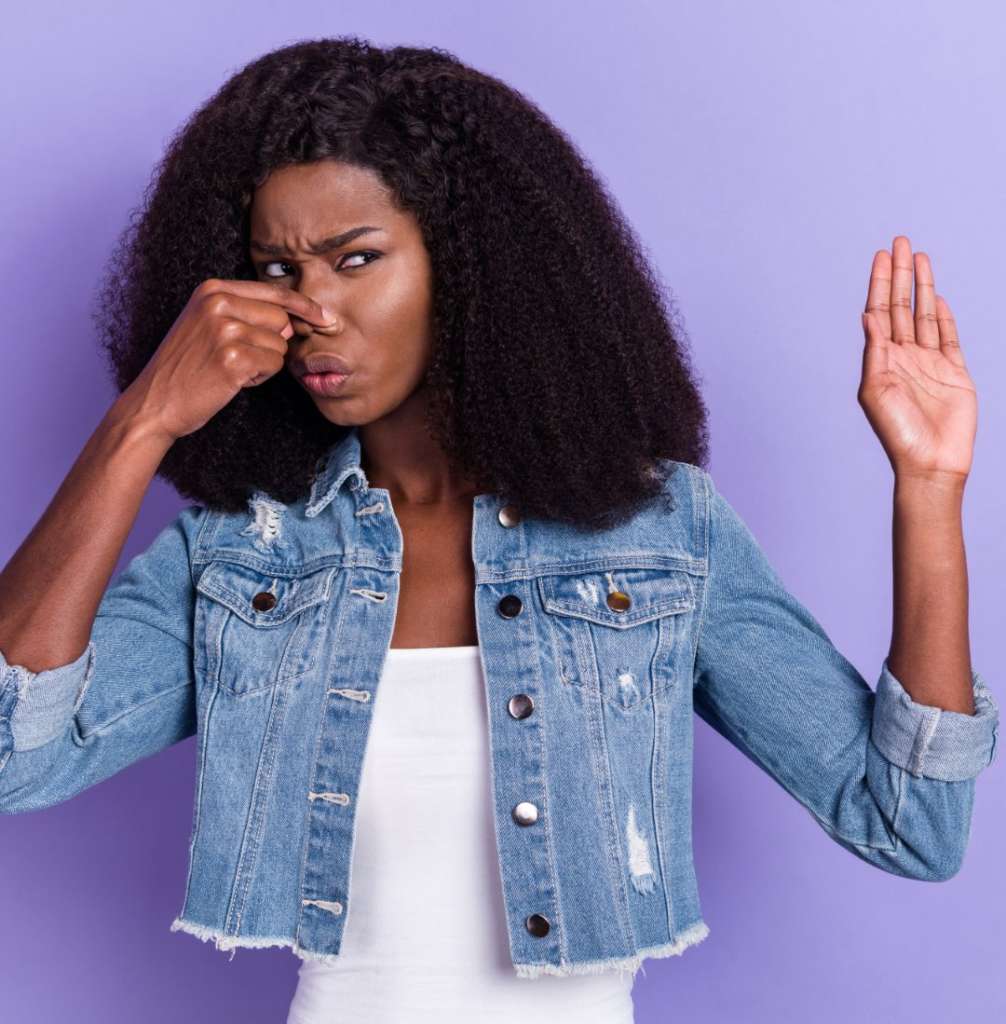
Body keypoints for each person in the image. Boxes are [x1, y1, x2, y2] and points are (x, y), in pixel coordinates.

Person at [0, 36, 997, 1024]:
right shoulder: (248, 550)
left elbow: (908, 825)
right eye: (278, 269)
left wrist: (928, 489)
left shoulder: (656, 534)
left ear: (468, 263)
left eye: (356, 259)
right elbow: (17, 758)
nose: (310, 309)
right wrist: (144, 420)